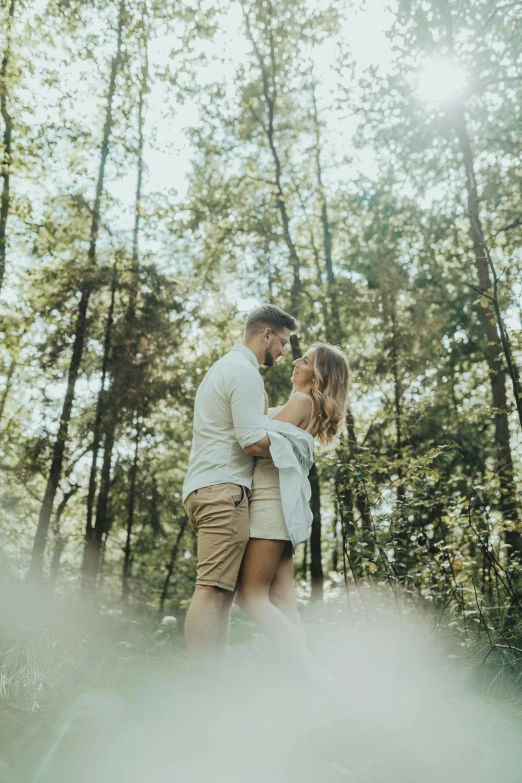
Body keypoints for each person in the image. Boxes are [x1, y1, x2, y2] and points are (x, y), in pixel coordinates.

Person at [182, 304, 302, 660]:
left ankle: (214, 687)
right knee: (212, 591)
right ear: (266, 334)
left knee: (221, 593)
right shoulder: (246, 372)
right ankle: (204, 690)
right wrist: (296, 446)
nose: (283, 352)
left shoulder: (224, 367)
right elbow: (251, 442)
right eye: (283, 343)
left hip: (207, 487)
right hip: (224, 491)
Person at [236, 343, 350, 675]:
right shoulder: (307, 405)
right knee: (285, 603)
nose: (297, 362)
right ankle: (302, 682)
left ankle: (315, 678)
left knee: (251, 596)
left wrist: (258, 411)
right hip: (285, 510)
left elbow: (257, 442)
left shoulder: (302, 401)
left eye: (307, 360)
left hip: (271, 505)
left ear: (320, 374)